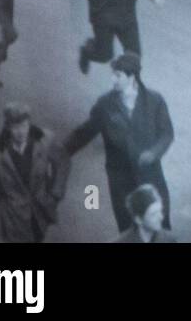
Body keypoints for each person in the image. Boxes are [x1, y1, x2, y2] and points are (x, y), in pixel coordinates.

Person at [65, 52, 174, 233]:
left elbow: (167, 134)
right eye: (112, 75)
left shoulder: (154, 101)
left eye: (118, 76)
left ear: (132, 77)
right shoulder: (105, 105)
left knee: (159, 226)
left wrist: (154, 153)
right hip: (121, 181)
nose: (113, 80)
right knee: (129, 229)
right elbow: (84, 133)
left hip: (150, 178)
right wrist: (60, 151)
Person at [0, 103, 69, 242]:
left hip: (41, 211)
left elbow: (63, 162)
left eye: (24, 126)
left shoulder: (45, 140)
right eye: (16, 127)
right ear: (7, 127)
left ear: (29, 123)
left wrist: (56, 193)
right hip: (13, 216)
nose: (21, 132)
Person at [112, 183, 176, 242]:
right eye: (153, 214)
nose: (161, 217)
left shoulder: (169, 239)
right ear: (138, 220)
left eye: (159, 211)